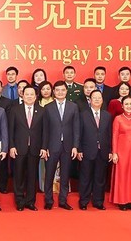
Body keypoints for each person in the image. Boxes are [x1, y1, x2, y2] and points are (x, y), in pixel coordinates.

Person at [41, 81, 80, 210]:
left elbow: (76, 128)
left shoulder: (73, 107)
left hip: (68, 146)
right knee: (49, 175)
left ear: (66, 91)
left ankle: (63, 200)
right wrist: (44, 147)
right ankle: (48, 200)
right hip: (52, 146)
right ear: (54, 91)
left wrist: (75, 146)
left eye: (62, 90)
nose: (60, 92)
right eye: (57, 90)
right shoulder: (48, 107)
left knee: (65, 175)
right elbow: (45, 129)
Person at [8, 86, 44, 211]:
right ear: (22, 96)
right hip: (19, 148)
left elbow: (45, 131)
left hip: (35, 148)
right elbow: (10, 130)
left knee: (32, 175)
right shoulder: (15, 110)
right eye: (26, 94)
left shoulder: (41, 110)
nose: (29, 96)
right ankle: (19, 201)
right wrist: (11, 146)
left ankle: (30, 201)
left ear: (35, 96)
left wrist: (44, 147)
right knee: (18, 175)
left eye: (31, 94)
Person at [78, 90, 112, 210]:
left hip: (102, 151)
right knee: (85, 177)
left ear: (102, 100)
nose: (97, 100)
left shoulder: (107, 115)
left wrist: (110, 151)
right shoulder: (83, 114)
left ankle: (98, 202)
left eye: (99, 98)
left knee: (100, 178)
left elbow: (109, 134)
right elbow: (79, 133)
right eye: (94, 98)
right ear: (90, 100)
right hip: (87, 151)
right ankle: (84, 201)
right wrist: (79, 149)